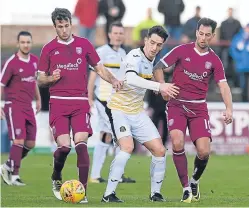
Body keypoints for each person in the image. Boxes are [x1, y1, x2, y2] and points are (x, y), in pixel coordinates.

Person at [37, 8, 122, 203]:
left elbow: (99, 68)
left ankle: (82, 192)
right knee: (65, 147)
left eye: (67, 26)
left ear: (71, 24)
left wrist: (114, 80)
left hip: (80, 102)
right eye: (60, 27)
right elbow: (40, 79)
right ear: (55, 27)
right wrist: (51, 78)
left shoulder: (84, 44)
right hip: (58, 103)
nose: (65, 30)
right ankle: (56, 176)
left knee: (81, 143)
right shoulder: (48, 49)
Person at [153, 18, 233, 203]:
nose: (203, 38)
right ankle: (186, 189)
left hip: (198, 108)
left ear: (213, 36)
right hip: (177, 105)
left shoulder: (214, 60)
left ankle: (194, 181)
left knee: (204, 152)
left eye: (207, 35)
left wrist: (229, 108)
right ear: (196, 32)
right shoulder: (182, 50)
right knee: (177, 141)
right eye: (201, 33)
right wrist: (163, 86)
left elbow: (224, 86)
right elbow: (158, 67)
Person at [101, 25, 179, 203]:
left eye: (159, 45)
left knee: (159, 150)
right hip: (118, 109)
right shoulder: (134, 56)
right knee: (127, 147)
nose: (154, 47)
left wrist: (162, 84)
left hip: (136, 111)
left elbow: (154, 72)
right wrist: (160, 86)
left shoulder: (152, 60)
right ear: (145, 41)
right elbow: (131, 78)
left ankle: (155, 194)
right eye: (152, 42)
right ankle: (108, 194)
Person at [88, 21, 135, 184]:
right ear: (109, 34)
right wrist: (89, 97)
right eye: (115, 33)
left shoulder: (123, 53)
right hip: (103, 99)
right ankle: (113, 175)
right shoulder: (101, 52)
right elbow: (93, 76)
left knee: (107, 136)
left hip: (118, 101)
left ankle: (97, 175)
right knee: (117, 134)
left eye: (121, 33)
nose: (118, 36)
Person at [0, 31, 41, 186]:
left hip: (28, 106)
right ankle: (14, 175)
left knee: (30, 144)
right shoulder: (11, 62)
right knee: (18, 140)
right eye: (23, 42)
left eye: (28, 42)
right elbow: (1, 84)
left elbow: (34, 81)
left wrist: (38, 99)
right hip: (13, 106)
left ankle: (7, 165)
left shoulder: (35, 61)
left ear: (31, 43)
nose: (25, 45)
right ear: (18, 44)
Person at [230, 23, 249, 102]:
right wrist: (239, 58)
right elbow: (232, 50)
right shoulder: (238, 37)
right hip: (242, 67)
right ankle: (244, 101)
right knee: (243, 85)